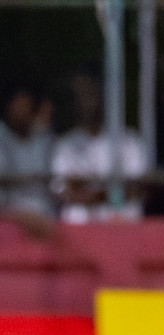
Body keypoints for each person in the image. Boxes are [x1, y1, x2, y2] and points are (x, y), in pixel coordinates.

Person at [51, 73, 148, 223]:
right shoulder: (66, 144)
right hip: (79, 228)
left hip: (122, 226)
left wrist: (85, 188)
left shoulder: (130, 141)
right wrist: (110, 192)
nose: (88, 101)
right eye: (82, 94)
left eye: (92, 93)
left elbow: (137, 189)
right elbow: (63, 192)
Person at [0, 83, 56, 237]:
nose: (23, 111)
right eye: (19, 105)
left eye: (27, 106)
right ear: (8, 107)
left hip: (46, 217)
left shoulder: (43, 139)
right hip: (9, 218)